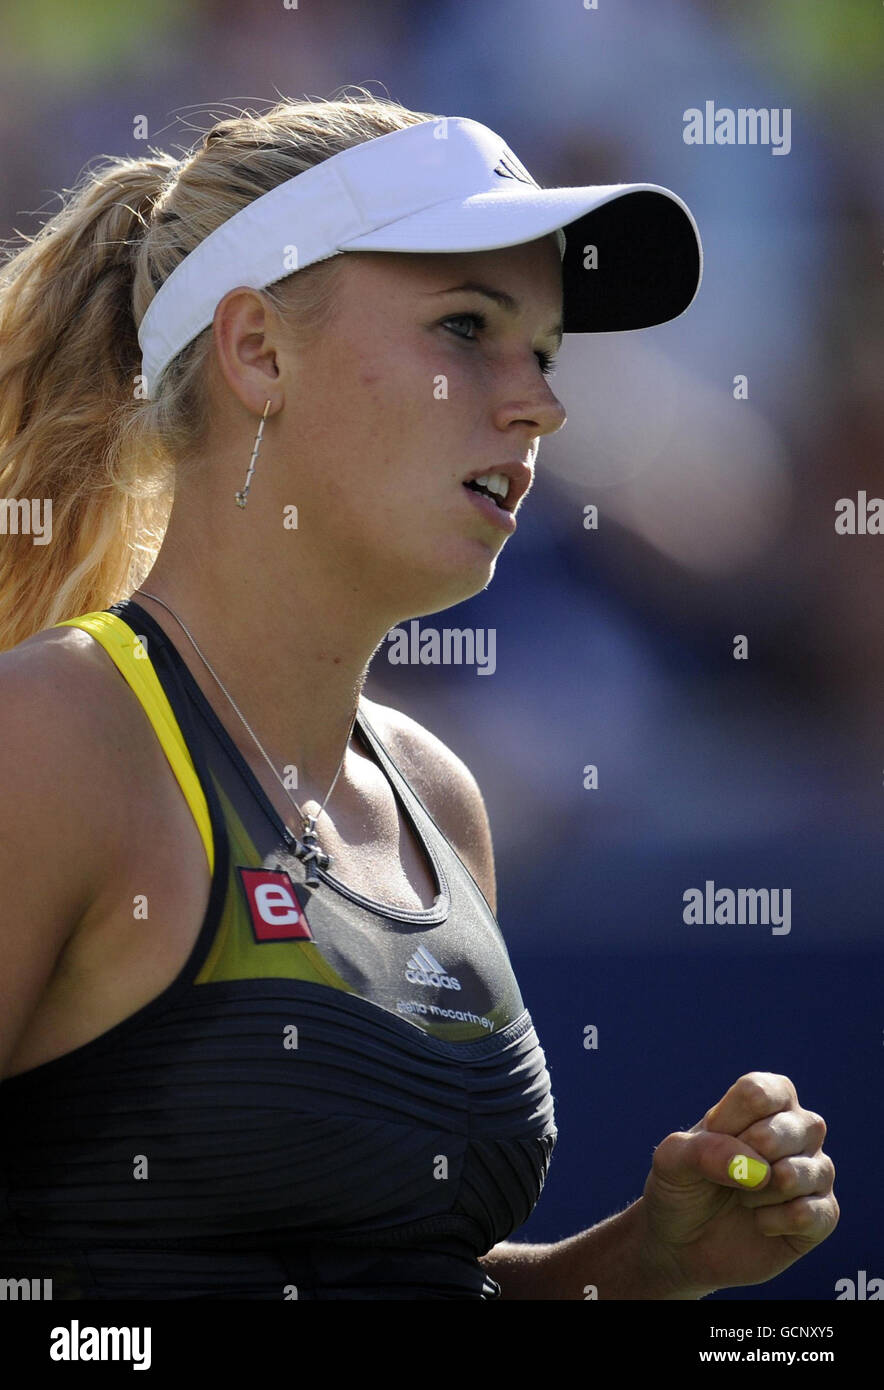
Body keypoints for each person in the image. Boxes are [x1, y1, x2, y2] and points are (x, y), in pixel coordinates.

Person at [0, 89, 837, 1300]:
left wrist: (636, 1267)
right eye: (463, 327)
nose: (539, 402)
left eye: (542, 354)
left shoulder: (438, 800)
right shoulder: (53, 740)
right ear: (257, 350)